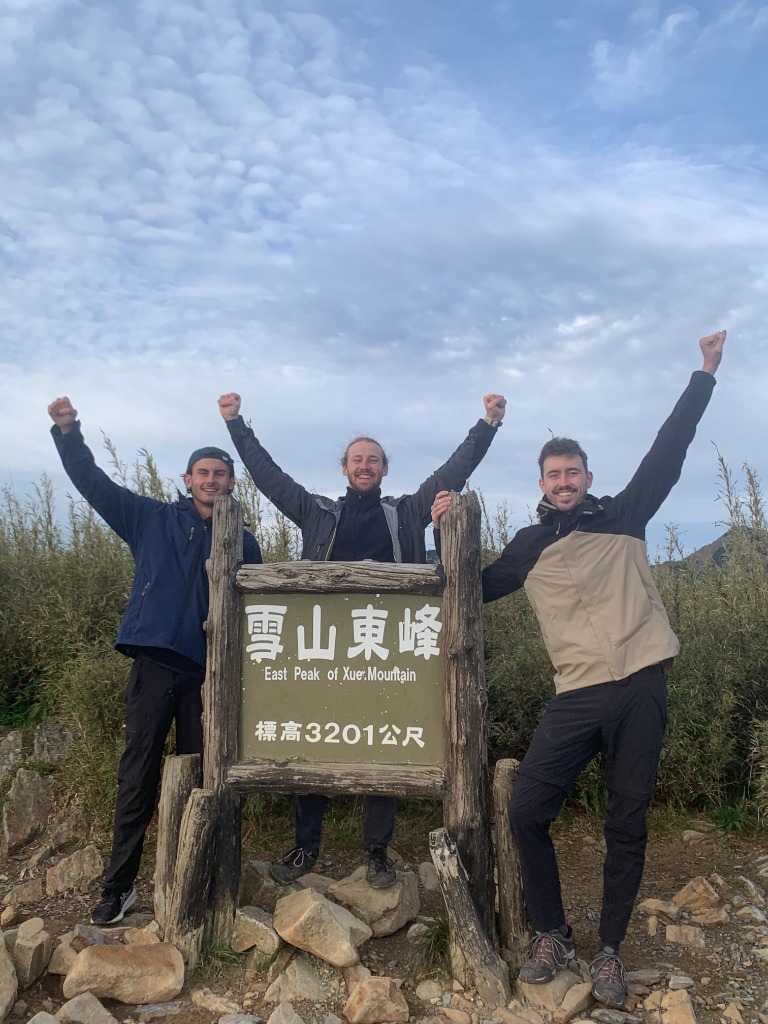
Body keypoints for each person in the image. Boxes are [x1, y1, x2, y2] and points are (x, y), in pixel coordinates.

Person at [431, 330, 726, 1007]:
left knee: (627, 821)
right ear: (541, 484)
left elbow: (669, 448)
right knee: (527, 809)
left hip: (642, 685)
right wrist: (443, 527)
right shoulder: (528, 546)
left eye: (573, 472)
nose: (564, 482)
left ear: (587, 477)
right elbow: (468, 587)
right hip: (577, 694)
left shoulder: (626, 515)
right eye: (554, 475)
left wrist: (704, 373)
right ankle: (553, 932)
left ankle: (611, 949)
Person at [218, 389, 507, 887]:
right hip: (321, 653)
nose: (365, 465)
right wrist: (236, 424)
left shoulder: (406, 512)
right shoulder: (317, 512)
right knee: (311, 742)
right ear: (345, 469)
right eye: (357, 459)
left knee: (385, 745)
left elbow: (453, 471)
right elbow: (270, 478)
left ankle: (377, 852)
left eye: (373, 459)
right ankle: (305, 847)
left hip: (386, 655)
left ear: (385, 469)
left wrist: (488, 424)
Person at [48, 396, 263, 926]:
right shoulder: (150, 519)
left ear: (232, 483)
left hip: (208, 676)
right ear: (187, 480)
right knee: (137, 776)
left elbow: (256, 614)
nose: (211, 480)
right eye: (203, 473)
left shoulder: (246, 543)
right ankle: (118, 888)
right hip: (152, 666)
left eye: (220, 474)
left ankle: (197, 882)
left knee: (201, 781)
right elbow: (93, 484)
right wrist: (69, 433)